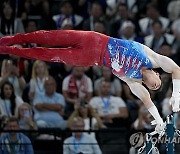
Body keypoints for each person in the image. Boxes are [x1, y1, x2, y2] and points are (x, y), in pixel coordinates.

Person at [0, 30, 180, 135]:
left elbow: (147, 101)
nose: (154, 85)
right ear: (157, 74)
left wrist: (159, 122)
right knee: (48, 37)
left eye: (154, 88)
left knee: (47, 54)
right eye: (157, 83)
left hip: (91, 57)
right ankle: (14, 39)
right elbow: (176, 69)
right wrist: (176, 94)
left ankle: (9, 50)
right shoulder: (153, 58)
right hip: (93, 38)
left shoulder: (132, 81)